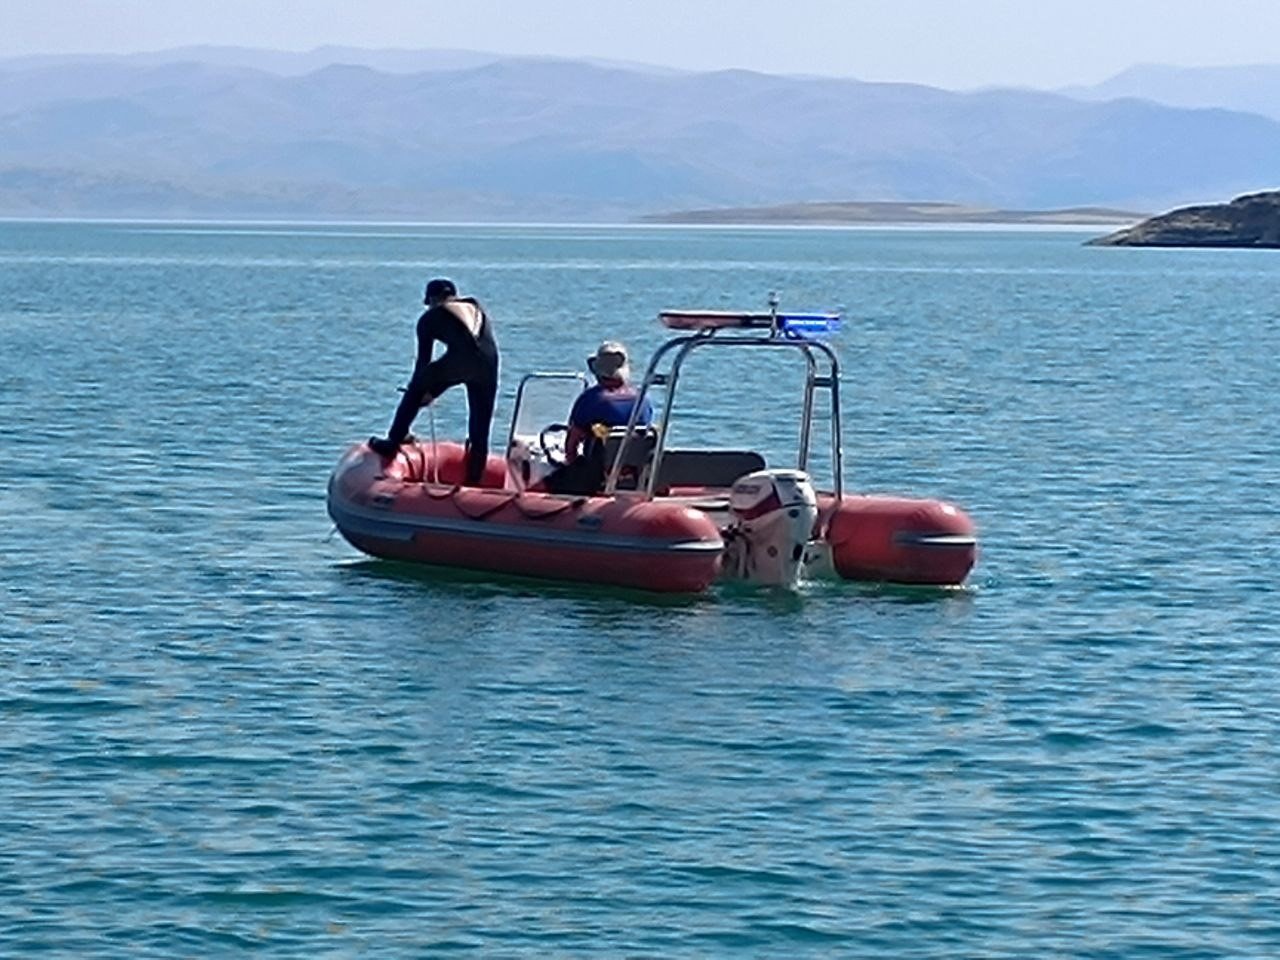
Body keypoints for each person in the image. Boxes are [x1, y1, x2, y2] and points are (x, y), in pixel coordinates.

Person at [369, 278, 499, 486]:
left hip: (460, 360)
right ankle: (474, 480)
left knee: (415, 388)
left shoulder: (428, 319)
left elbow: (423, 364)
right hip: (489, 363)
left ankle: (394, 440)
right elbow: (475, 346)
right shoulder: (476, 306)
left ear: (431, 299)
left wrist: (424, 392)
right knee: (480, 427)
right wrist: (434, 389)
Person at [543, 341, 654, 494]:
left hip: (596, 477)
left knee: (549, 482)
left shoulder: (591, 399)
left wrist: (573, 469)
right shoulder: (642, 399)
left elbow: (572, 445)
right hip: (634, 476)